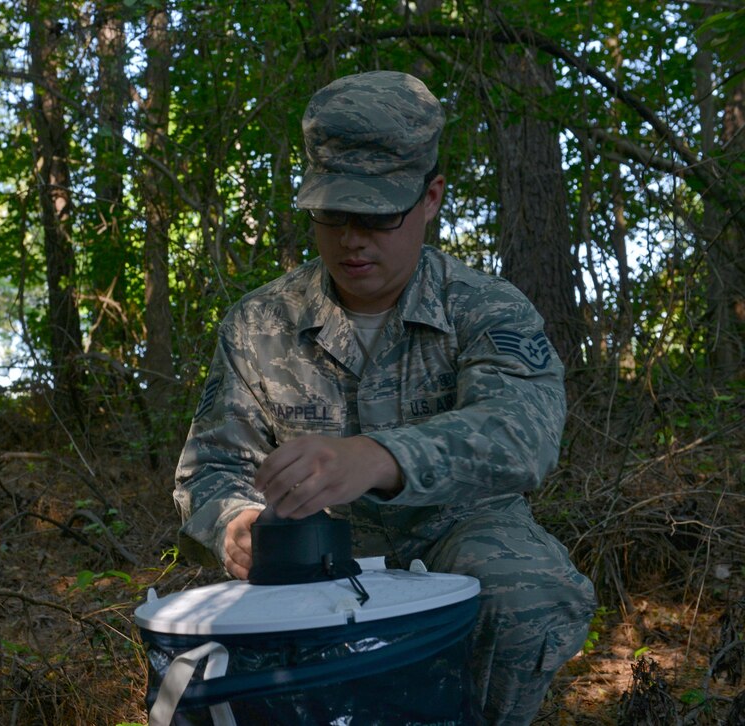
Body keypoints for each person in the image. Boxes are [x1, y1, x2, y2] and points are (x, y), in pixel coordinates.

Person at [173, 70, 597, 724]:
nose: (352, 239)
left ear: (431, 198)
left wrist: (376, 458)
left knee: (527, 592)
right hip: (311, 558)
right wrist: (235, 525)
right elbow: (211, 468)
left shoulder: (487, 309)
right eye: (332, 214)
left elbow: (522, 435)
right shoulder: (259, 323)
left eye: (377, 215)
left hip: (458, 532)